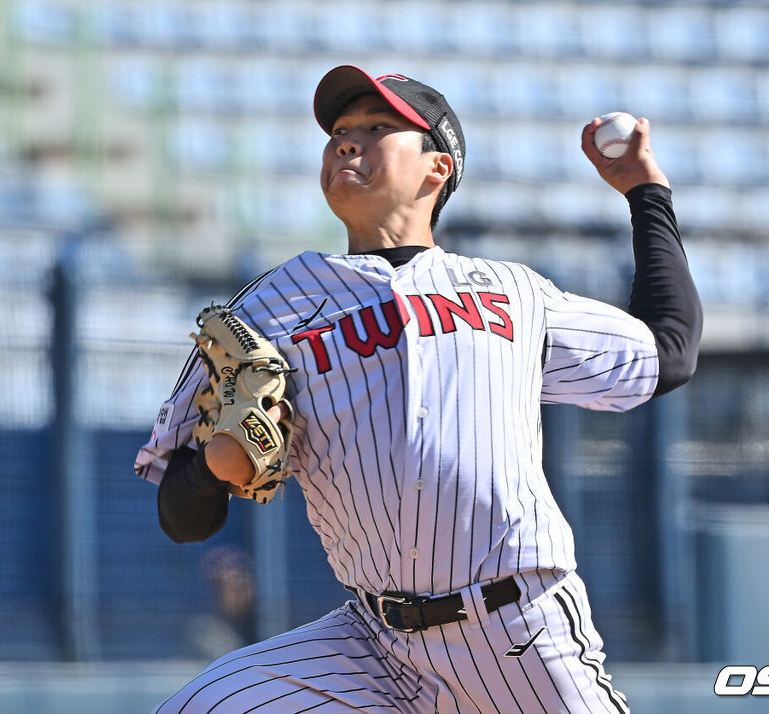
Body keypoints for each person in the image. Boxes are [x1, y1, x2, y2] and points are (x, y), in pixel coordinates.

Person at [135, 65, 702, 714]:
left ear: (437, 169)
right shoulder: (268, 309)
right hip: (371, 643)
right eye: (339, 133)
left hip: (516, 629)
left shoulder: (512, 292)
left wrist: (646, 193)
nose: (347, 142)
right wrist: (213, 469)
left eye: (377, 128)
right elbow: (180, 516)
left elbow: (669, 352)